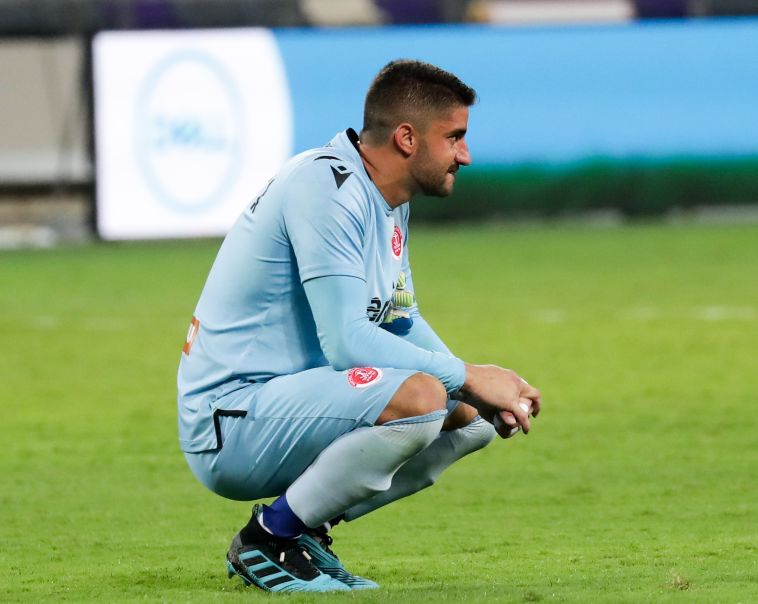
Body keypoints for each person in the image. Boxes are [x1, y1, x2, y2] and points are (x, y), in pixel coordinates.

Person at [177, 59, 542, 593]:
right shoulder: (325, 187)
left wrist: (478, 387)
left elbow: (399, 322)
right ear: (406, 138)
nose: (465, 154)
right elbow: (348, 341)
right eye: (454, 137)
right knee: (424, 395)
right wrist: (467, 374)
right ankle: (269, 539)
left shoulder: (387, 200)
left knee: (471, 417)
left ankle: (303, 530)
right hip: (229, 420)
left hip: (289, 405)